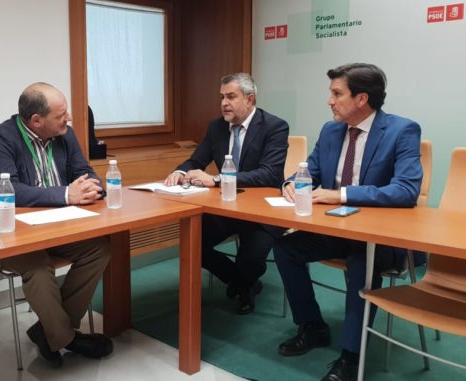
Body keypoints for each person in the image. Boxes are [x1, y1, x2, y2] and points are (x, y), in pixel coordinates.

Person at [274, 63, 422, 381]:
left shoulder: (402, 130)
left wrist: (340, 194)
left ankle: (352, 356)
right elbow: (309, 169)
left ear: (361, 99)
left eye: (336, 93)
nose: (329, 100)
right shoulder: (331, 130)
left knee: (360, 262)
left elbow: (406, 190)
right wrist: (290, 182)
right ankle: (312, 326)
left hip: (379, 237)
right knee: (286, 247)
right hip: (336, 228)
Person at [0, 82, 113, 367]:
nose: (69, 119)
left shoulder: (65, 134)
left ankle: (47, 331)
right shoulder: (0, 138)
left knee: (99, 247)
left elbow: (85, 172)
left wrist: (90, 187)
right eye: (62, 114)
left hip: (58, 225)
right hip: (12, 230)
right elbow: (9, 189)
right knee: (37, 265)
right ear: (37, 121)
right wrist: (65, 194)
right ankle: (66, 338)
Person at [164, 73, 289, 314]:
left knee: (250, 258)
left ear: (249, 99)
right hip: (226, 207)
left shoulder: (274, 126)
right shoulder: (217, 127)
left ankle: (244, 281)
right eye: (221, 97)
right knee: (192, 242)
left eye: (231, 97)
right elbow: (197, 159)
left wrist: (217, 179)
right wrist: (179, 172)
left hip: (262, 209)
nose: (223, 103)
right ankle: (242, 283)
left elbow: (269, 174)